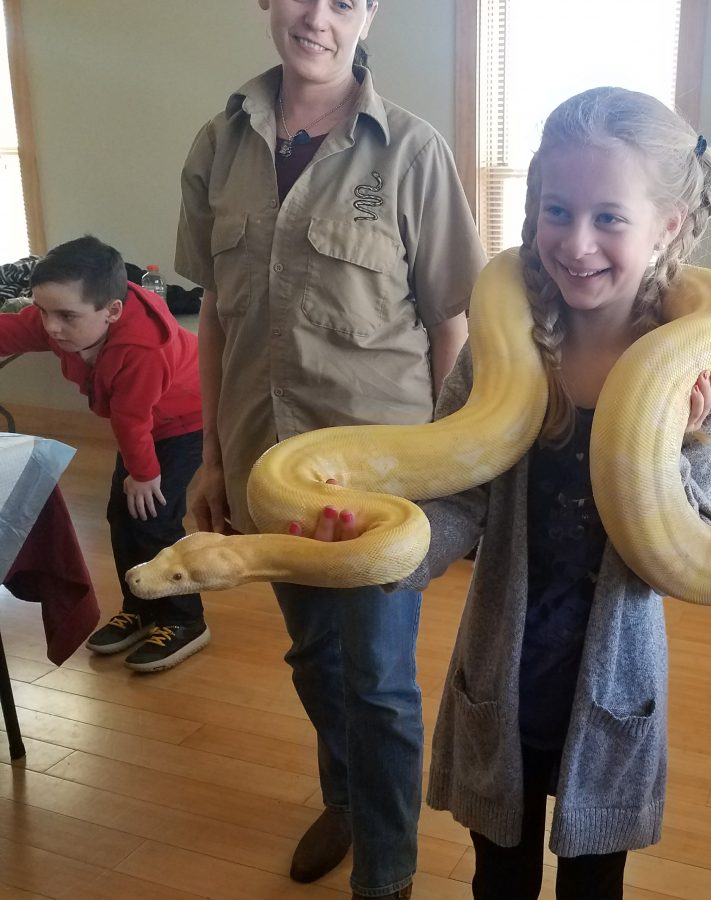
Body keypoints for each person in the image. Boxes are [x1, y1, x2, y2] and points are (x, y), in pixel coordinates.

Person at [305, 86, 711, 900]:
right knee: (497, 877)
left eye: (610, 217)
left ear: (667, 226)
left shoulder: (694, 375)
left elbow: (694, 546)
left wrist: (680, 444)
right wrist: (384, 548)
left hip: (610, 690)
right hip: (501, 675)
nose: (575, 243)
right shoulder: (500, 354)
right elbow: (455, 498)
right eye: (555, 210)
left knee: (592, 884)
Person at [173, 1, 484, 898]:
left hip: (381, 483)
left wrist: (442, 470)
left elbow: (449, 324)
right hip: (265, 463)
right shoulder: (217, 144)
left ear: (369, 12)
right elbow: (217, 324)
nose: (318, 15)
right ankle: (344, 800)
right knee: (316, 659)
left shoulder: (412, 152)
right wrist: (214, 457)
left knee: (380, 681)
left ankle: (385, 874)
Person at [0, 236, 207, 672]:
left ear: (111, 310)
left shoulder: (141, 348)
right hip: (141, 427)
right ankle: (140, 603)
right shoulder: (66, 319)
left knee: (154, 519)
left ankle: (184, 620)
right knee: (121, 514)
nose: (51, 326)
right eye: (42, 310)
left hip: (184, 422)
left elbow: (131, 419)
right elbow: (11, 330)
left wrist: (144, 473)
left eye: (66, 316)